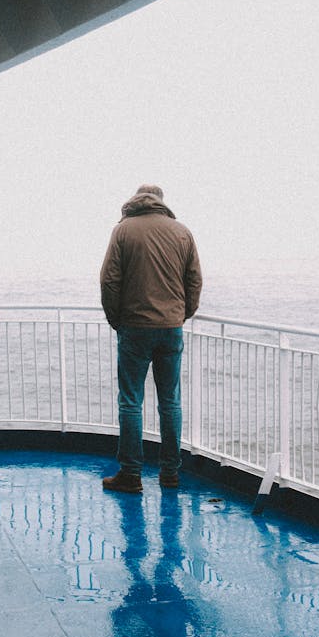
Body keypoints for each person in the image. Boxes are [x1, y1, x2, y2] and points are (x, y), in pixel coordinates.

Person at [100, 184, 202, 492]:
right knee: (170, 401)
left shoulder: (123, 231)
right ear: (160, 202)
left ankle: (131, 474)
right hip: (171, 327)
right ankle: (170, 473)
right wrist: (182, 313)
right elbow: (194, 279)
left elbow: (109, 280)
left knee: (131, 401)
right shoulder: (182, 232)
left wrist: (115, 319)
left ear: (135, 200)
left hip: (134, 327)